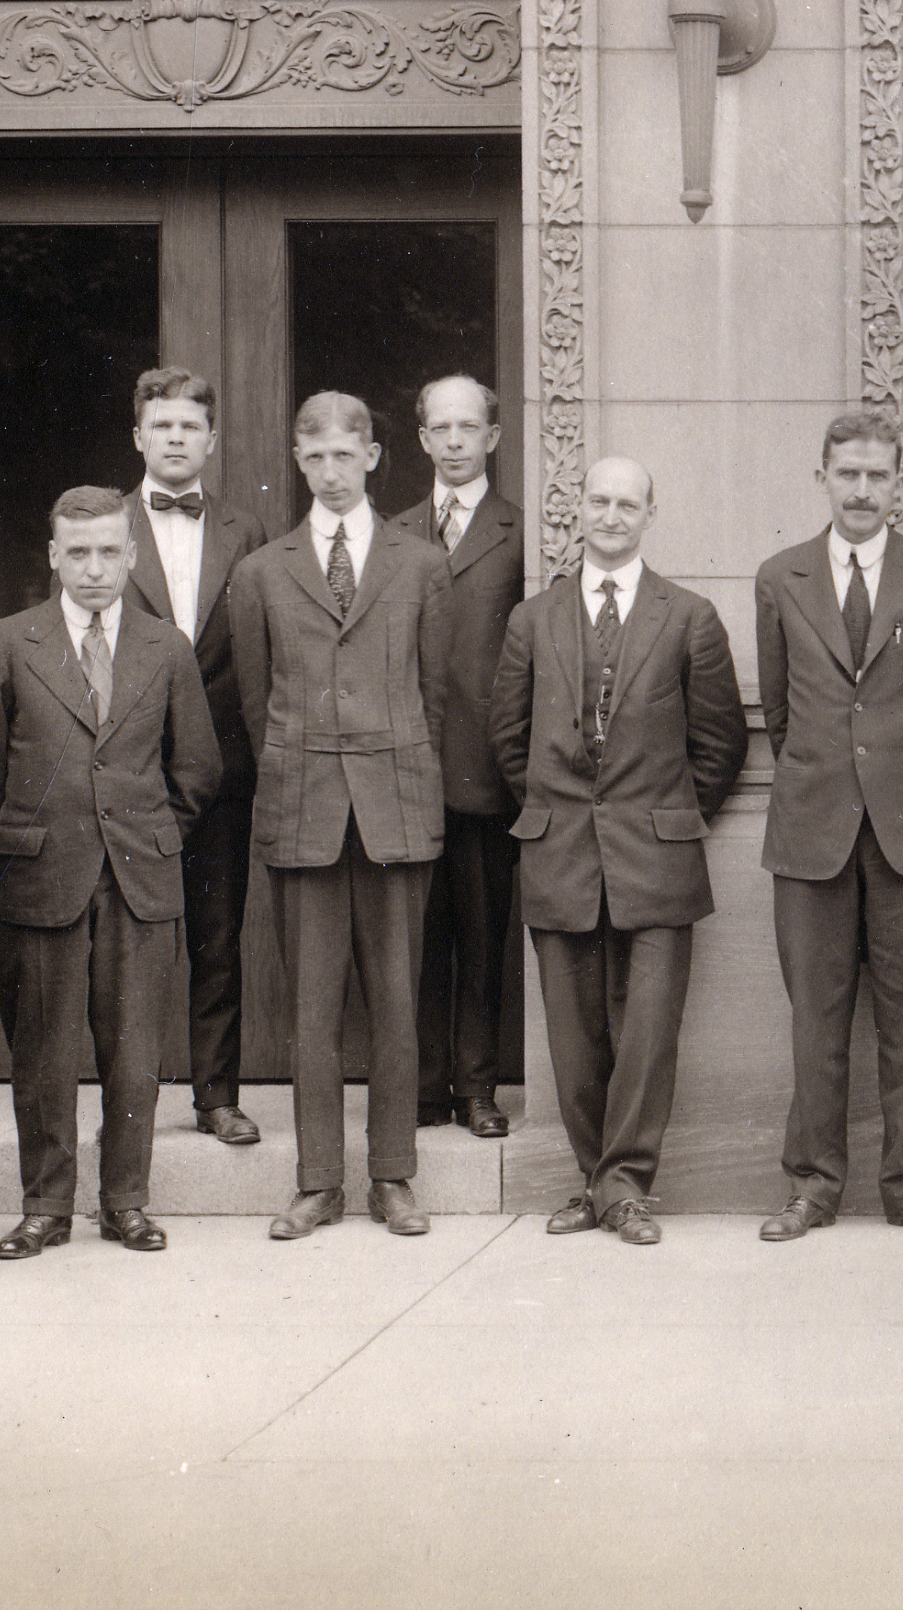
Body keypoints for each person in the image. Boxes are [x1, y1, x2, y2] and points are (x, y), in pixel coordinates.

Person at [491, 457, 747, 1245]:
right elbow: (507, 740)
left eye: (626, 503)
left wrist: (661, 817)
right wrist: (565, 814)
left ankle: (626, 1183)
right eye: (598, 500)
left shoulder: (691, 616)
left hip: (658, 857)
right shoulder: (532, 619)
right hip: (560, 852)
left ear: (649, 513)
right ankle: (596, 1182)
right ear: (578, 509)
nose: (610, 515)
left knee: (645, 1037)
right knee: (573, 1036)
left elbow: (720, 743)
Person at [0, 489, 220, 1259]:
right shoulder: (10, 643)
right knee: (41, 1050)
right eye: (79, 552)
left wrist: (148, 834)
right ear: (53, 556)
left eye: (110, 551)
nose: (96, 568)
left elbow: (197, 767)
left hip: (140, 879)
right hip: (41, 878)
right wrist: (32, 839)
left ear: (132, 554)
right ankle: (45, 1205)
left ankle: (125, 1202)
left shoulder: (165, 645)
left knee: (136, 1053)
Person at [224, 391, 453, 1242]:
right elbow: (256, 701)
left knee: (396, 1002)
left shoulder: (422, 564)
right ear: (298, 461)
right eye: (314, 456)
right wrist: (306, 764)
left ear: (373, 456)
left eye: (344, 455)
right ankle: (318, 1180)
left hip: (394, 810)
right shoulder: (262, 571)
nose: (330, 470)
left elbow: (435, 695)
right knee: (310, 1012)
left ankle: (393, 1176)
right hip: (304, 810)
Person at [750, 412, 903, 1244]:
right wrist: (831, 776)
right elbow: (779, 714)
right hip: (813, 824)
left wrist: (900, 778)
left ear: (898, 481)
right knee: (816, 1015)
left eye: (879, 475)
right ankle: (812, 1185)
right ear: (823, 477)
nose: (863, 490)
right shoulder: (781, 576)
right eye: (848, 473)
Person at [122, 367, 267, 1149]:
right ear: (139, 436)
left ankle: (217, 1095)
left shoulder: (249, 531)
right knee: (135, 949)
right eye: (162, 425)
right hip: (132, 775)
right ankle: (132, 1099)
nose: (176, 438)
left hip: (223, 771)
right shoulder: (105, 527)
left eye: (190, 427)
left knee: (218, 935)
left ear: (211, 441)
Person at [396, 374, 529, 1142]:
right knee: (415, 937)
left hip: (486, 770)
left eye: (467, 427)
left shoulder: (520, 530)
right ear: (421, 438)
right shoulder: (395, 528)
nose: (453, 440)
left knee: (481, 935)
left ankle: (477, 1086)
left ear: (493, 435)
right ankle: (420, 1089)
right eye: (439, 427)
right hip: (410, 766)